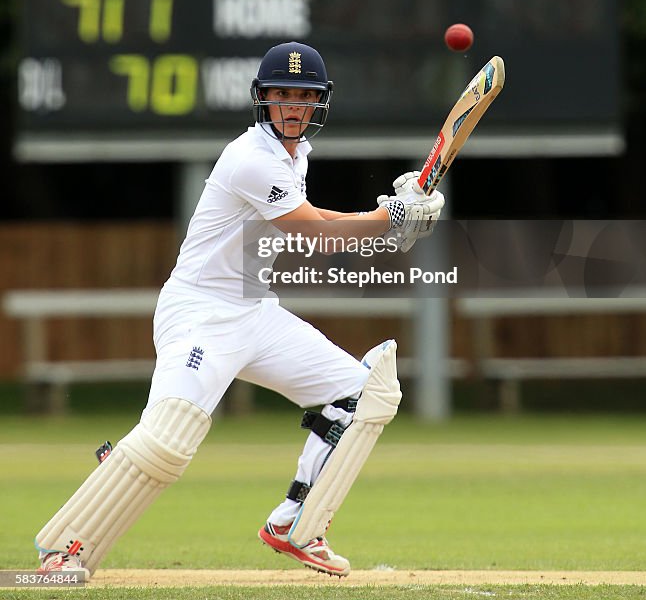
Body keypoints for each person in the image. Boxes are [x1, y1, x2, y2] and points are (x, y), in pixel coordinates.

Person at [35, 42, 445, 579]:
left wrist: (390, 221)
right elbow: (312, 235)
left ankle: (297, 525)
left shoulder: (294, 155)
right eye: (282, 95)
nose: (293, 107)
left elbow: (310, 216)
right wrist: (389, 216)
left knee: (366, 393)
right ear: (263, 99)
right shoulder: (250, 159)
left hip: (254, 312)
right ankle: (63, 549)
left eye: (304, 97)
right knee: (169, 437)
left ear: (319, 103)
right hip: (201, 312)